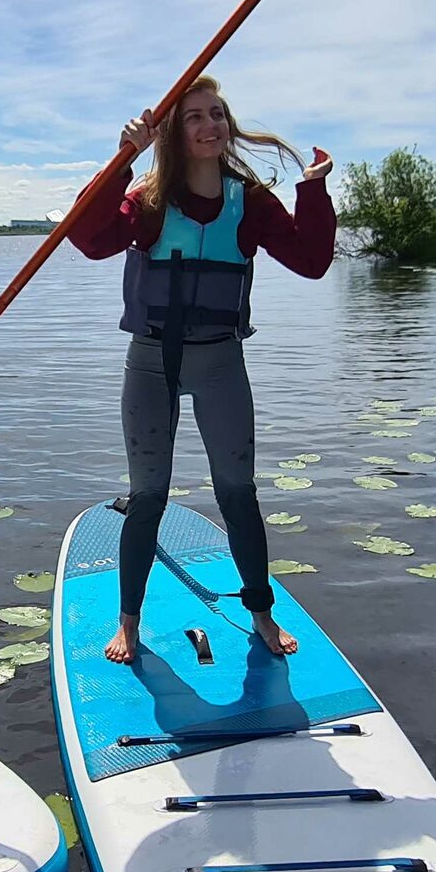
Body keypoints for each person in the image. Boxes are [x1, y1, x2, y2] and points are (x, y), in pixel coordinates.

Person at [68, 76, 334, 665]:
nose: (210, 124)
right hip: (150, 364)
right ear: (174, 133)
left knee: (238, 493)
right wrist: (122, 160)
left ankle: (261, 612)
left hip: (220, 362)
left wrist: (312, 193)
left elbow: (313, 262)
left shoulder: (251, 201)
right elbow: (87, 238)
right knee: (148, 497)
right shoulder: (149, 199)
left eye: (217, 113)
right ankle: (129, 621)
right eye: (193, 117)